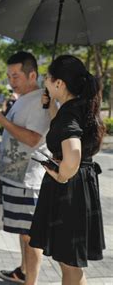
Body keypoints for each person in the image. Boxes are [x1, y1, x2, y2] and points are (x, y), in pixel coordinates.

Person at [29, 55, 105, 285]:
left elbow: (72, 154)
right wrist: (52, 104)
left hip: (70, 189)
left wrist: (61, 174)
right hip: (82, 185)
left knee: (69, 264)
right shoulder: (81, 106)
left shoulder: (70, 112)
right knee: (72, 262)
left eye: (48, 79)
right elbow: (65, 131)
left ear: (59, 83)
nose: (46, 83)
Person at [0, 51, 50, 285]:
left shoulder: (42, 101)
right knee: (24, 233)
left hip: (27, 180)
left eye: (16, 76)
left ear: (33, 75)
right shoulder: (24, 99)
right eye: (9, 76)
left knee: (31, 236)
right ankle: (23, 272)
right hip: (16, 178)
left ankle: (31, 280)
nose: (11, 81)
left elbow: (33, 139)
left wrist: (2, 121)